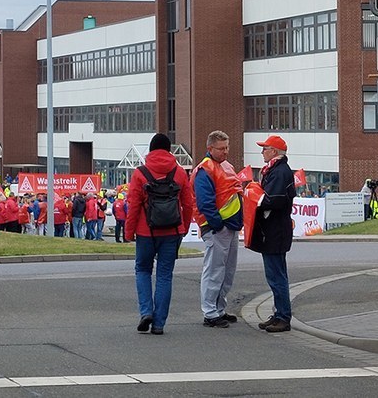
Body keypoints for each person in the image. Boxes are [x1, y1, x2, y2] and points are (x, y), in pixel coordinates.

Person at [125, 133, 194, 335]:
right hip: (172, 231)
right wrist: (184, 228)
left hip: (146, 231)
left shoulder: (140, 173)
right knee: (165, 276)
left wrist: (129, 232)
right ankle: (159, 323)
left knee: (143, 270)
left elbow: (134, 205)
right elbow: (188, 204)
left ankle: (146, 311)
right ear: (169, 150)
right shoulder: (180, 172)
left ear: (151, 149)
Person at [191, 130, 244, 329]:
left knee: (226, 271)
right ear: (210, 148)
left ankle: (218, 308)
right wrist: (216, 224)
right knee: (215, 270)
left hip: (227, 226)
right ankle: (210, 312)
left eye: (227, 147)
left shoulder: (223, 165)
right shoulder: (206, 169)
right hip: (217, 227)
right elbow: (205, 202)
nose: (226, 152)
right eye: (221, 148)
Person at [249, 135, 297, 333]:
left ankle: (283, 316)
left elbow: (273, 200)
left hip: (275, 231)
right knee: (276, 274)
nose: (262, 152)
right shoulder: (276, 170)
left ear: (274, 152)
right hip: (275, 230)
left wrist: (254, 198)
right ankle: (279, 314)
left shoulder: (278, 172)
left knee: (276, 276)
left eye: (265, 148)